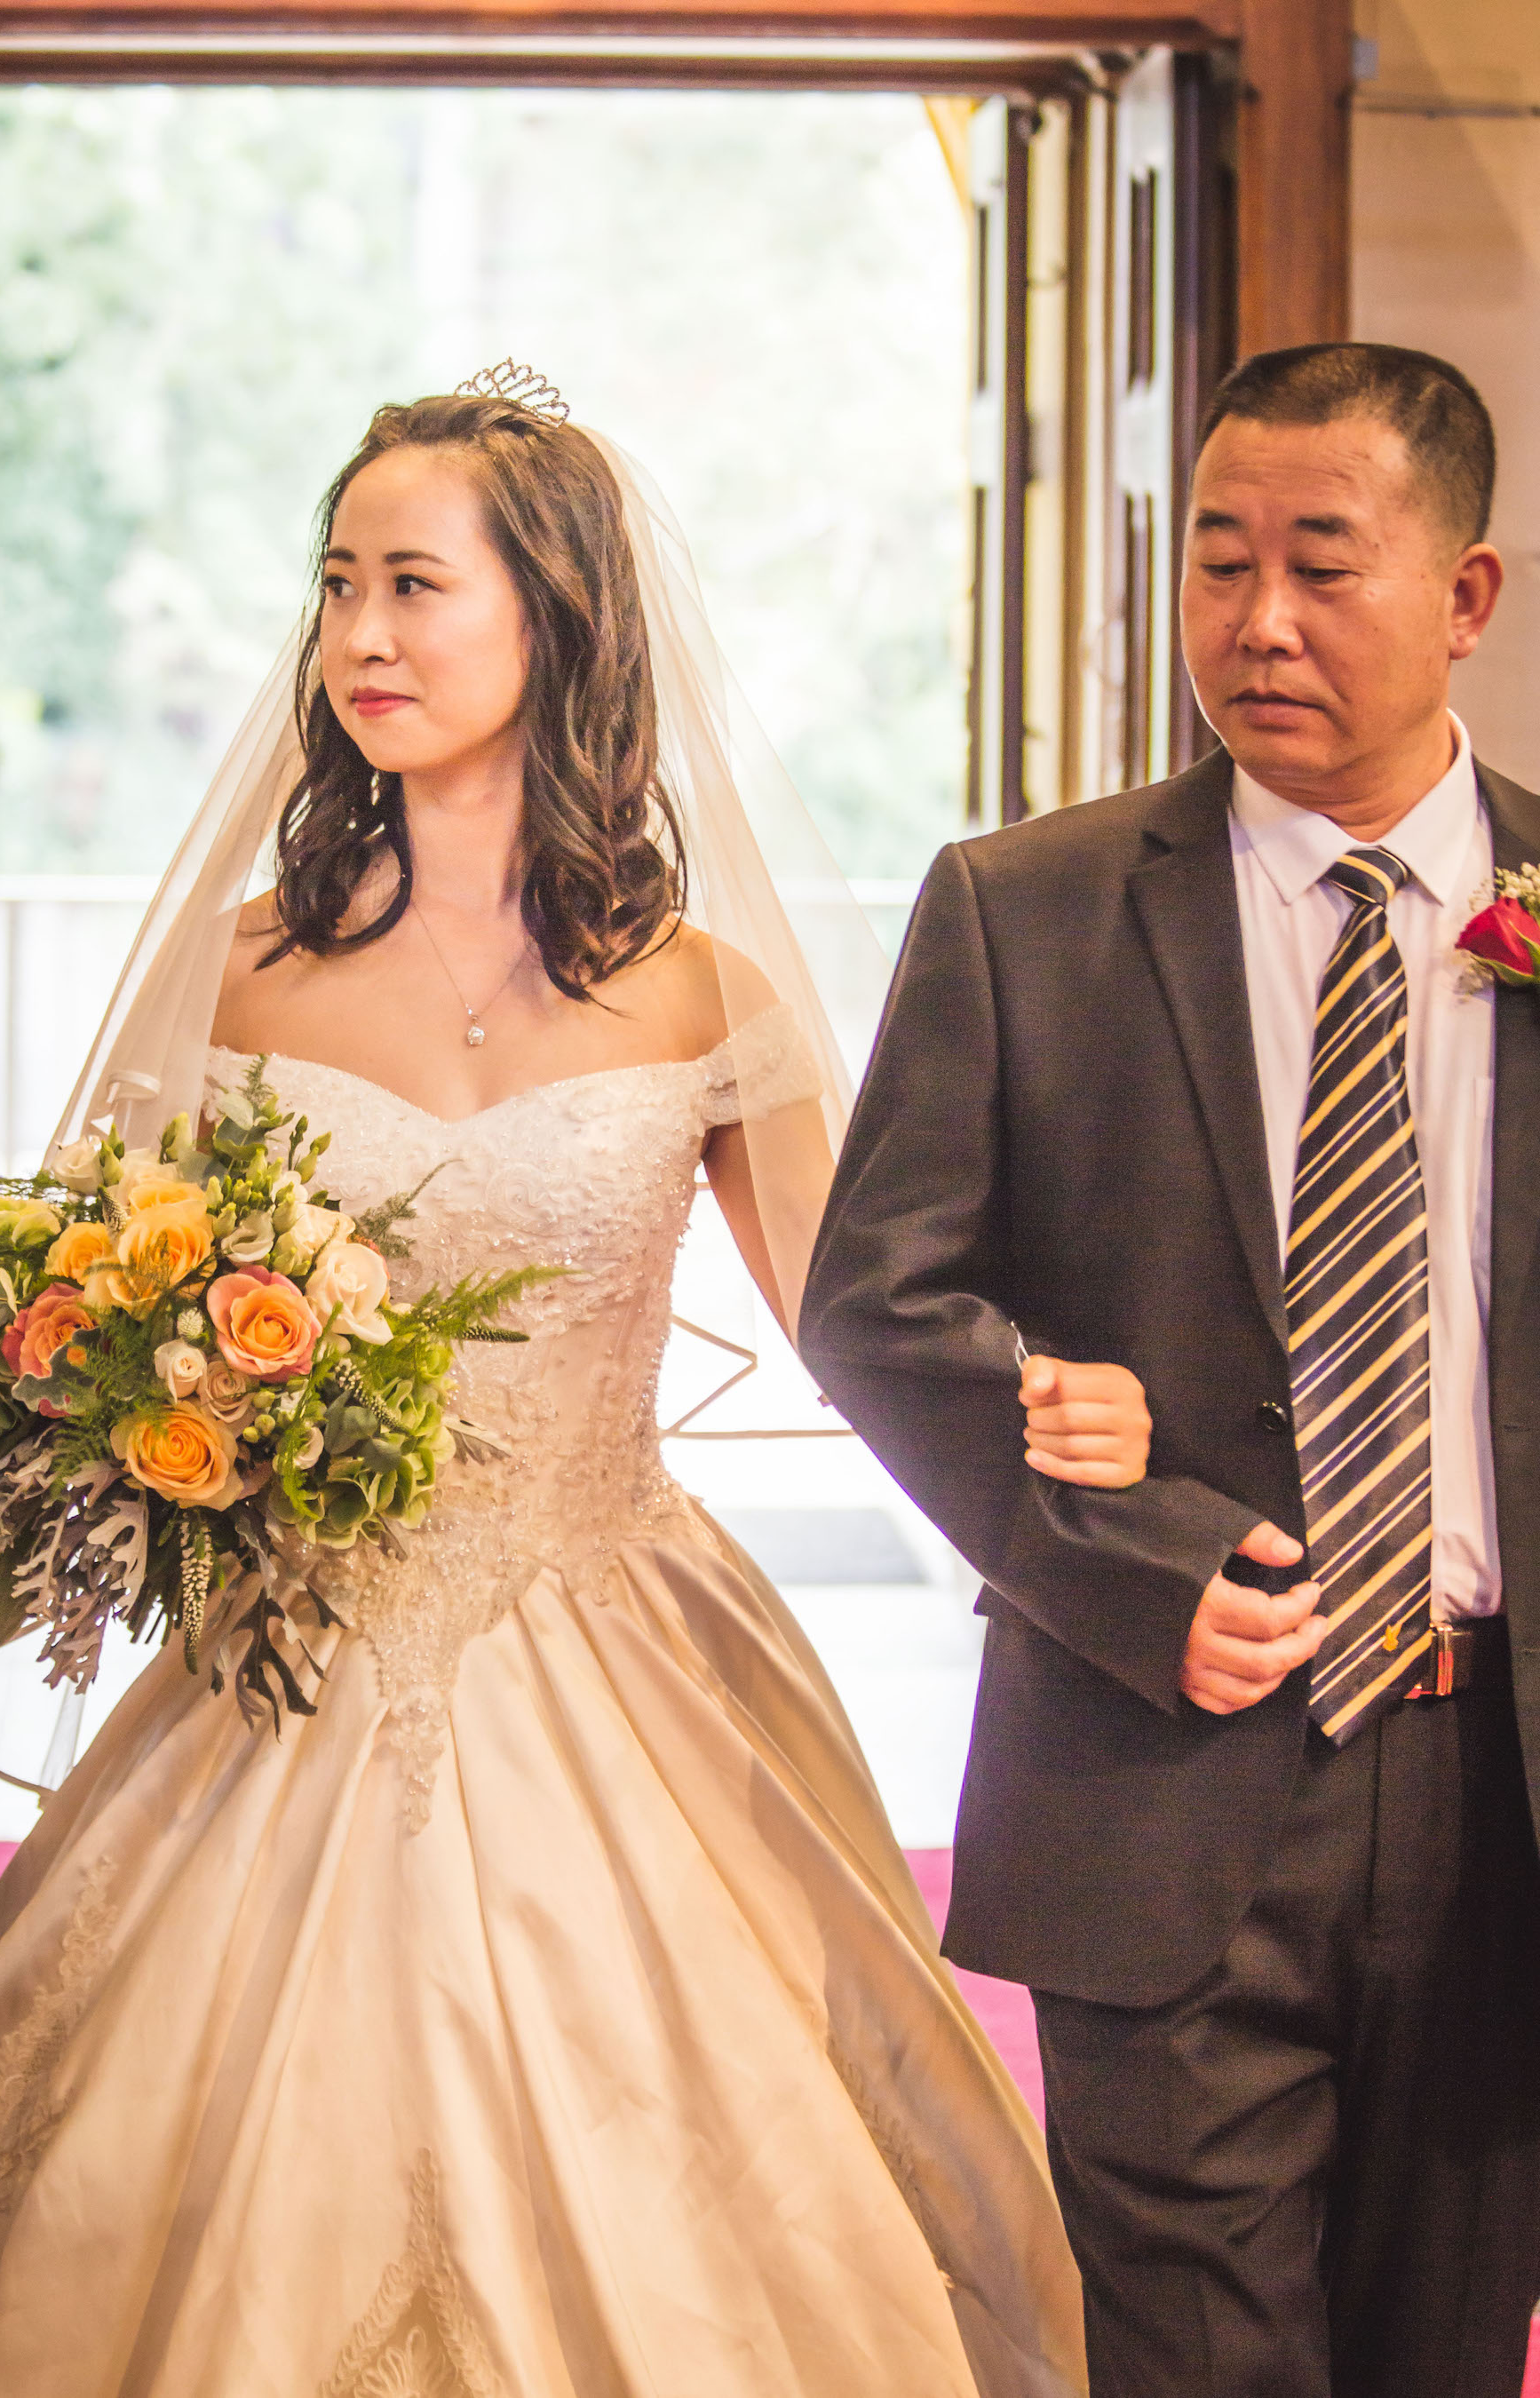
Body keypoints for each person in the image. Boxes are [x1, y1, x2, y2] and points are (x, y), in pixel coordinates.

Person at [0, 373, 1150, 2396]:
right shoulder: (242, 972)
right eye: (339, 585)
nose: (361, 637)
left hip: (617, 1628)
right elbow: (97, 1293)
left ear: (556, 617)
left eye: (415, 586)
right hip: (292, 1647)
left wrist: (1058, 1410)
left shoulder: (699, 994)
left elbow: (870, 1319)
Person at [799, 341, 1540, 2398]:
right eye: (1220, 562)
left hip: (1498, 1789)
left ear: (1465, 595)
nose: (1259, 620)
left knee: (1440, 2357)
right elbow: (880, 1304)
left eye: (1323, 563)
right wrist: (1121, 1558)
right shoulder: (1026, 908)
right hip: (1159, 1774)